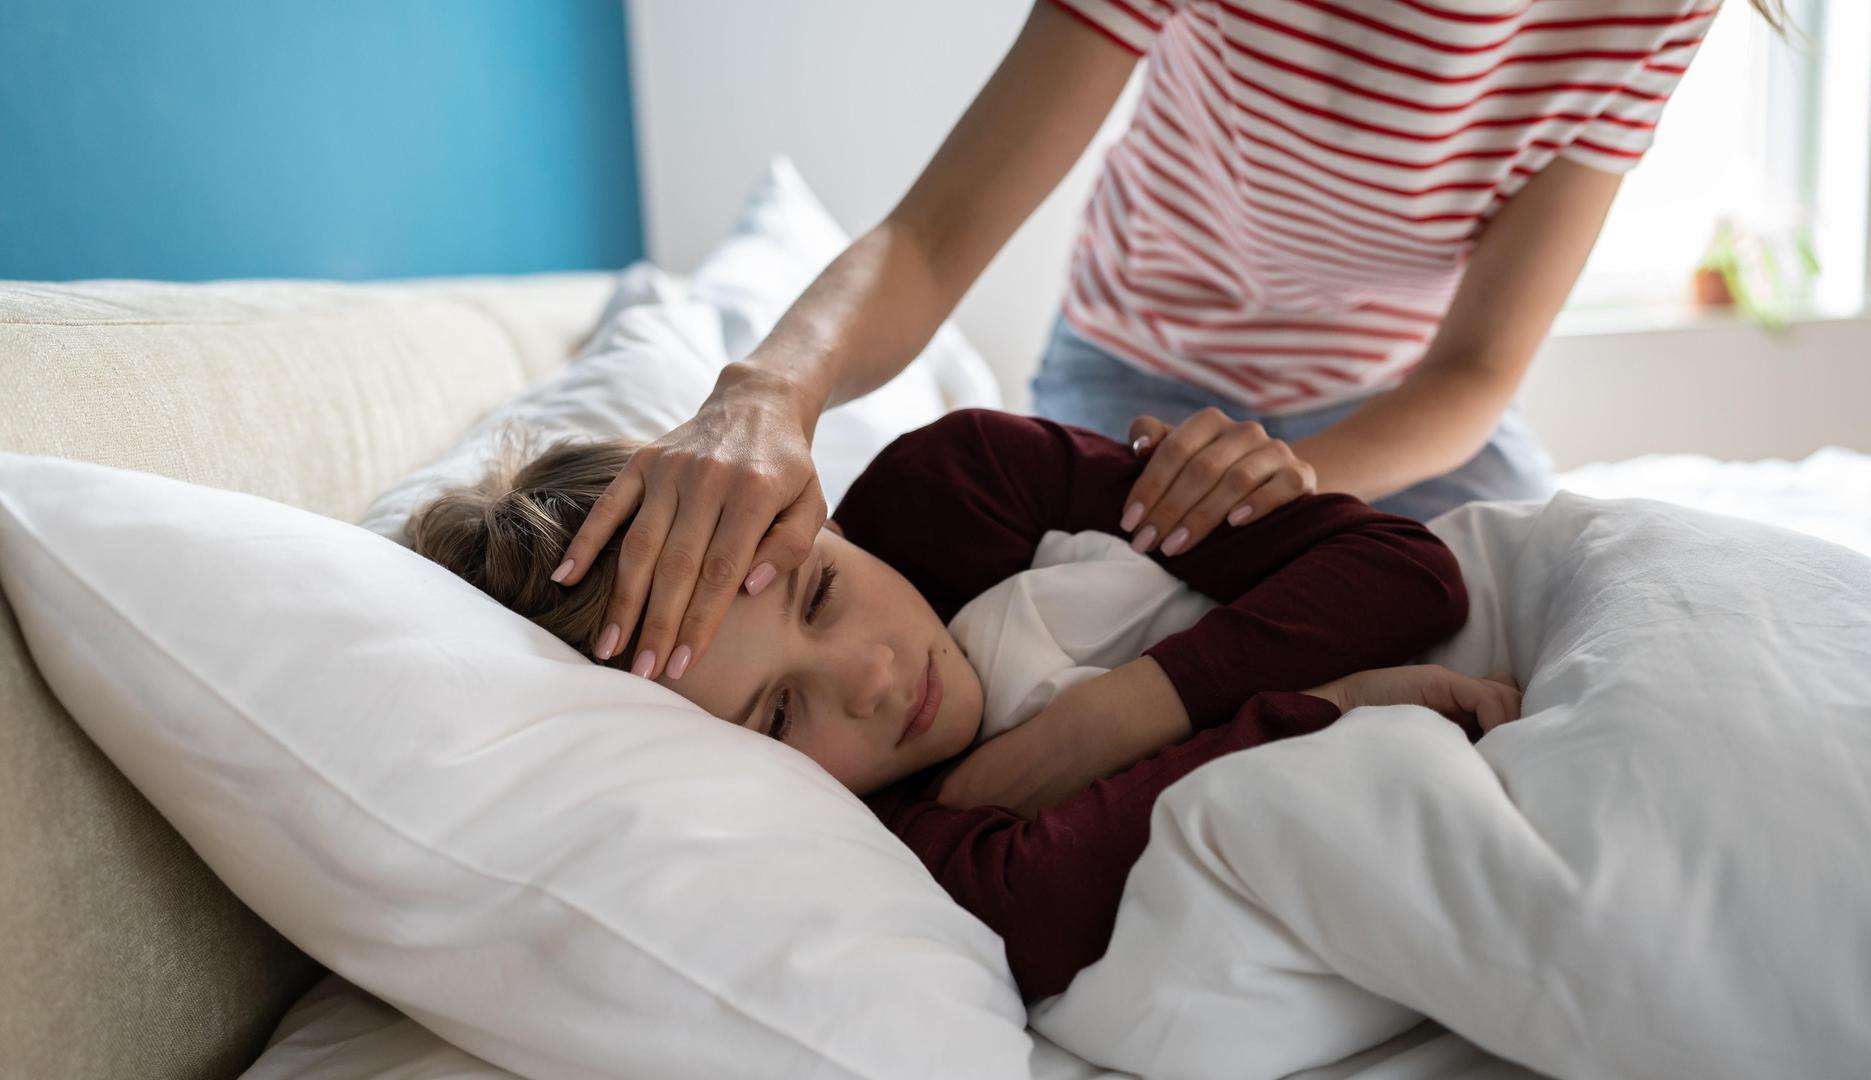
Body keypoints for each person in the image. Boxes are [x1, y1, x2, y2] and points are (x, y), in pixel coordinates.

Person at [549, 0, 1767, 692]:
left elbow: (1477, 371)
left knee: (1561, 646)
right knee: (1068, 670)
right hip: (1136, 372)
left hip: (1399, 410)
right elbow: (931, 238)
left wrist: (1297, 484)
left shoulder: (1651, 14)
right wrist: (767, 388)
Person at [409, 408, 1520, 999]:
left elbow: (1409, 576)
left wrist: (1119, 714)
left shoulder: (966, 480)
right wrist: (1327, 703)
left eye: (823, 592)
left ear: (817, 523)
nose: (875, 679)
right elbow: (1037, 921)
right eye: (778, 718)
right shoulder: (888, 843)